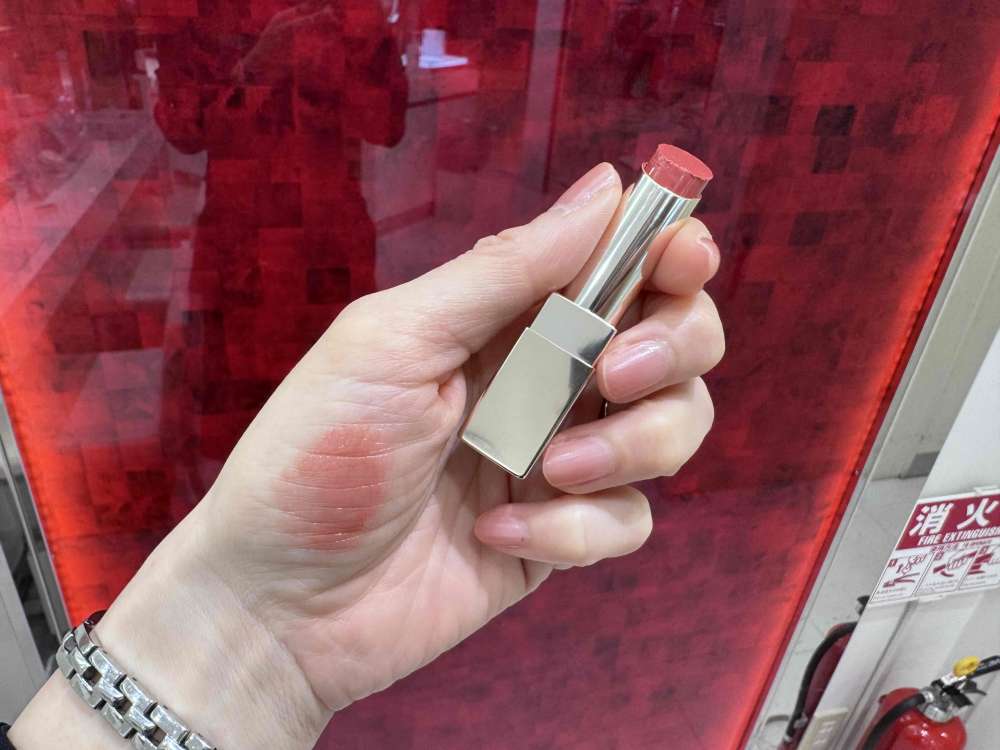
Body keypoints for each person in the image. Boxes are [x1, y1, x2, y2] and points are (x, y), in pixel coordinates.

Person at [6, 162, 724, 749]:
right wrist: (245, 614)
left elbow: (387, 123)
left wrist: (256, 641)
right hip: (234, 241)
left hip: (339, 222)